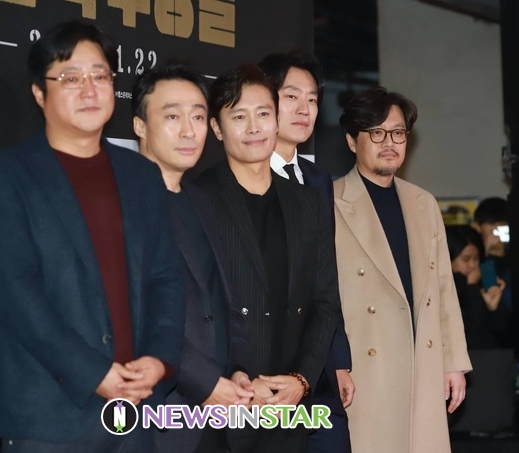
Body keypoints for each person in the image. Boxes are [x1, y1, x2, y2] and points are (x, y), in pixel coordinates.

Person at [0, 21, 185, 453]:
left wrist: (159, 360)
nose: (89, 90)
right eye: (70, 78)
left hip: (136, 411)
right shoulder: (5, 178)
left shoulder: (142, 176)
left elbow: (167, 276)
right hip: (48, 417)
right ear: (39, 93)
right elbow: (15, 294)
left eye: (100, 76)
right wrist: (92, 373)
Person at [195, 63, 341, 453]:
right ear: (216, 128)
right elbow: (192, 310)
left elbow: (325, 301)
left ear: (276, 121)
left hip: (288, 408)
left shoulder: (308, 202)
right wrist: (234, 379)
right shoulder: (196, 199)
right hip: (223, 407)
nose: (254, 127)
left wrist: (302, 379)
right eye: (238, 116)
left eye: (263, 114)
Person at [333, 86, 472, 453]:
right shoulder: (329, 202)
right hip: (364, 369)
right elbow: (320, 295)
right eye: (376, 133)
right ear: (352, 141)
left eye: (397, 133)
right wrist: (333, 363)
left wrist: (454, 363)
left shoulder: (423, 202)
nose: (389, 143)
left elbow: (443, 289)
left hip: (422, 364)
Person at [132, 63, 253, 453]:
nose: (189, 130)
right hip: (158, 415)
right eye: (172, 117)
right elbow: (135, 312)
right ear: (139, 125)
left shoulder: (203, 200)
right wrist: (205, 382)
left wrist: (238, 369)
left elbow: (224, 297)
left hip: (218, 414)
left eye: (198, 117)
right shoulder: (123, 203)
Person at [258, 49, 352, 453]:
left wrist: (339, 360)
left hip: (319, 371)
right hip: (264, 371)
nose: (304, 109)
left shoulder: (318, 179)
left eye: (312, 99)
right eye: (291, 96)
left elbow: (326, 279)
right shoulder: (243, 177)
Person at [446, 225, 508, 349]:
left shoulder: (487, 276)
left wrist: (494, 307)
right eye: (466, 259)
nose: (473, 265)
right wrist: (472, 286)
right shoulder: (445, 288)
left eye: (476, 259)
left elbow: (504, 332)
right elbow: (471, 329)